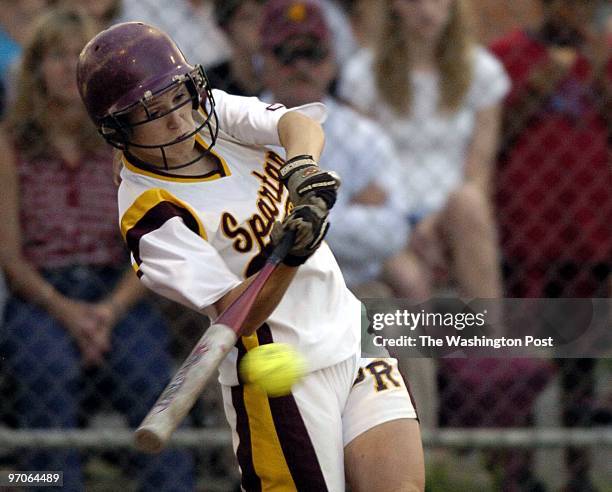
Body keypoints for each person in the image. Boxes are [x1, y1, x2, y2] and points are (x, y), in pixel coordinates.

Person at [77, 17, 425, 491]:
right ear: (118, 129)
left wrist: (300, 170)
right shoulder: (149, 215)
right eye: (151, 112)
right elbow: (233, 313)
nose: (177, 117)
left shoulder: (213, 114)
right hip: (281, 380)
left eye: (177, 95)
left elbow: (295, 123)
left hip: (351, 332)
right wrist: (288, 257)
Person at [0, 9, 194, 491]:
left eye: (78, 58)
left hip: (118, 290)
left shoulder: (124, 143)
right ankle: (47, 482)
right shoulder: (10, 145)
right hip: (42, 293)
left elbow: (149, 242)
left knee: (150, 375)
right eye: (55, 57)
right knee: (45, 369)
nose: (67, 68)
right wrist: (66, 311)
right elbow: (10, 256)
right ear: (35, 69)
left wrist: (106, 312)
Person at [490, 1, 611, 489]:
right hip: (526, 238)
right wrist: (531, 94)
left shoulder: (602, 57)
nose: (579, 11)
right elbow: (491, 140)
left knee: (580, 362)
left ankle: (578, 473)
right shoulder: (507, 56)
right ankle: (517, 472)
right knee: (522, 361)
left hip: (588, 238)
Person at [339, 0, 508, 302]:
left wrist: (433, 222)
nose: (426, 10)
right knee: (405, 273)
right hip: (388, 210)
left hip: (450, 213)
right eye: (414, 1)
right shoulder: (363, 74)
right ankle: (423, 346)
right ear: (393, 6)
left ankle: (490, 338)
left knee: (469, 201)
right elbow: (360, 171)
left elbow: (478, 174)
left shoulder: (481, 71)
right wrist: (400, 225)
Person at [258, 0, 410, 297]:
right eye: (287, 54)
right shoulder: (237, 130)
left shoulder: (364, 135)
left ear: (331, 61)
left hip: (347, 284)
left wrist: (293, 216)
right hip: (262, 285)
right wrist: (344, 205)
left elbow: (393, 231)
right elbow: (241, 228)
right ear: (263, 61)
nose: (301, 66)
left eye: (312, 54)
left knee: (383, 310)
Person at [208, 0, 266, 97]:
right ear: (226, 28)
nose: (261, 24)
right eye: (248, 18)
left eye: (265, 16)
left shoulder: (287, 74)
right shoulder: (210, 85)